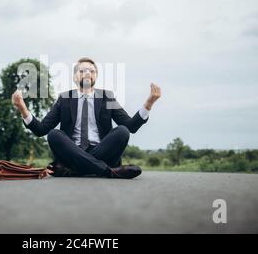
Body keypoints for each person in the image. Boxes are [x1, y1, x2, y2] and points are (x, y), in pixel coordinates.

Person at [12, 57, 161, 179]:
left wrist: (149, 103)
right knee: (54, 134)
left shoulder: (106, 97)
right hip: (72, 151)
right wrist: (23, 109)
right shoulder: (65, 99)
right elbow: (41, 130)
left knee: (122, 131)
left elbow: (131, 127)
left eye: (92, 70)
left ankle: (79, 169)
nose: (88, 73)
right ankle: (108, 172)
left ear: (96, 76)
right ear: (75, 76)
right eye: (82, 70)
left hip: (100, 153)